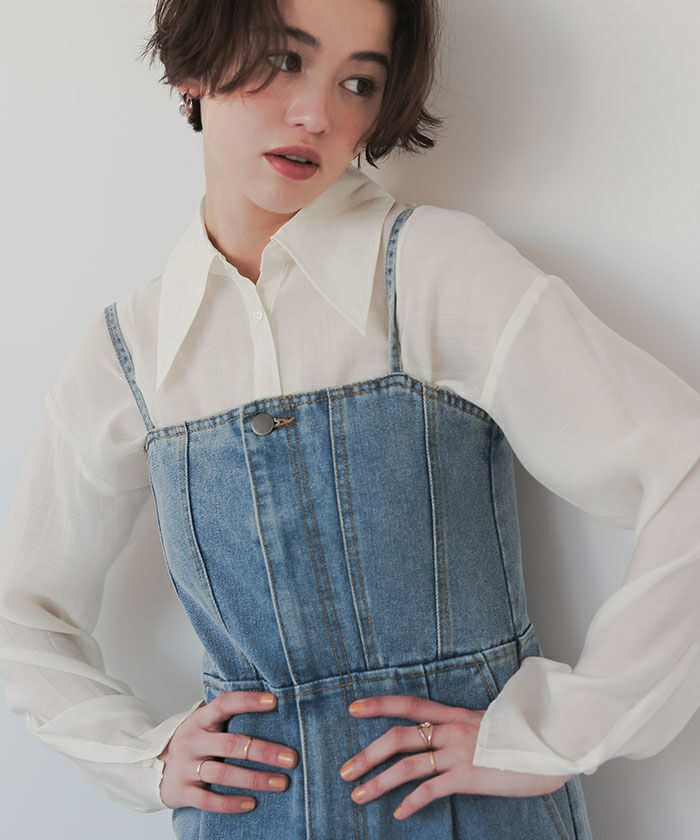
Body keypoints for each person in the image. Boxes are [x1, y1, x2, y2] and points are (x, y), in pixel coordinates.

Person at [1, 0, 698, 837]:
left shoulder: (436, 272)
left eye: (358, 82)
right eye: (283, 61)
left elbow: (683, 470)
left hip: (473, 816)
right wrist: (140, 756)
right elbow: (22, 610)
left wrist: (559, 731)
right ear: (192, 66)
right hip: (247, 818)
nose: (317, 114)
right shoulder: (129, 355)